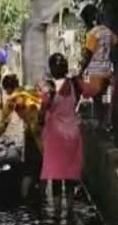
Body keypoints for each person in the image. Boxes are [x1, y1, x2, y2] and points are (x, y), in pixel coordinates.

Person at [40, 53, 99, 214]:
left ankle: (57, 215)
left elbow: (42, 109)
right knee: (70, 174)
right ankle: (71, 212)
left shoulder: (50, 87)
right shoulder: (75, 84)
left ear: (52, 69)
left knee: (57, 176)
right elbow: (94, 90)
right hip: (72, 135)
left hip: (54, 137)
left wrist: (40, 125)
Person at [0, 74, 43, 199]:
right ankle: (41, 197)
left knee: (28, 169)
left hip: (33, 134)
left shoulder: (13, 99)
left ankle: (24, 201)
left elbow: (3, 125)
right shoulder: (30, 90)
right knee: (43, 166)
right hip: (46, 131)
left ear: (8, 89)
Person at [79, 4, 118, 129]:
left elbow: (88, 54)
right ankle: (106, 123)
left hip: (95, 71)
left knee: (97, 99)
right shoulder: (107, 31)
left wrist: (82, 69)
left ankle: (99, 125)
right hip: (107, 69)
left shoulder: (92, 33)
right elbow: (115, 41)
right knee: (104, 98)